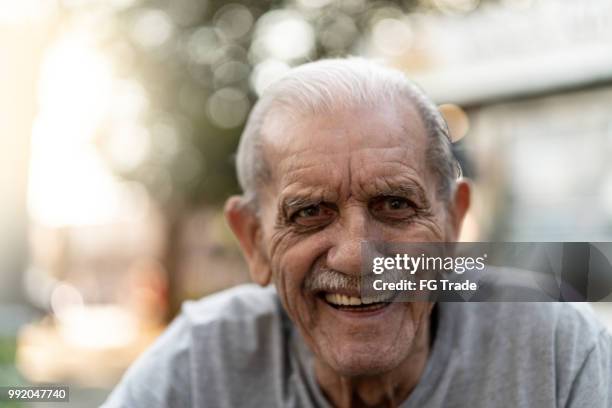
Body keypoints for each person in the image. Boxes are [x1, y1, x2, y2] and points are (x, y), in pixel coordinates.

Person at [102, 58, 612, 407]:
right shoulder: (198, 365)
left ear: (454, 225)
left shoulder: (553, 348)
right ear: (254, 241)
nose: (355, 256)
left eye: (395, 204)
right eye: (309, 213)